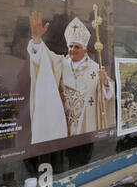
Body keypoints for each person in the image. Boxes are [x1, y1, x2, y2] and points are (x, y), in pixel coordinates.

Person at [27, 11, 115, 144]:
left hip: (86, 125)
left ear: (85, 50)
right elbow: (42, 59)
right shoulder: (60, 63)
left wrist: (105, 83)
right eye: (71, 46)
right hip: (62, 124)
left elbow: (108, 95)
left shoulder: (96, 69)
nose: (73, 49)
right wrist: (37, 39)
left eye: (77, 47)